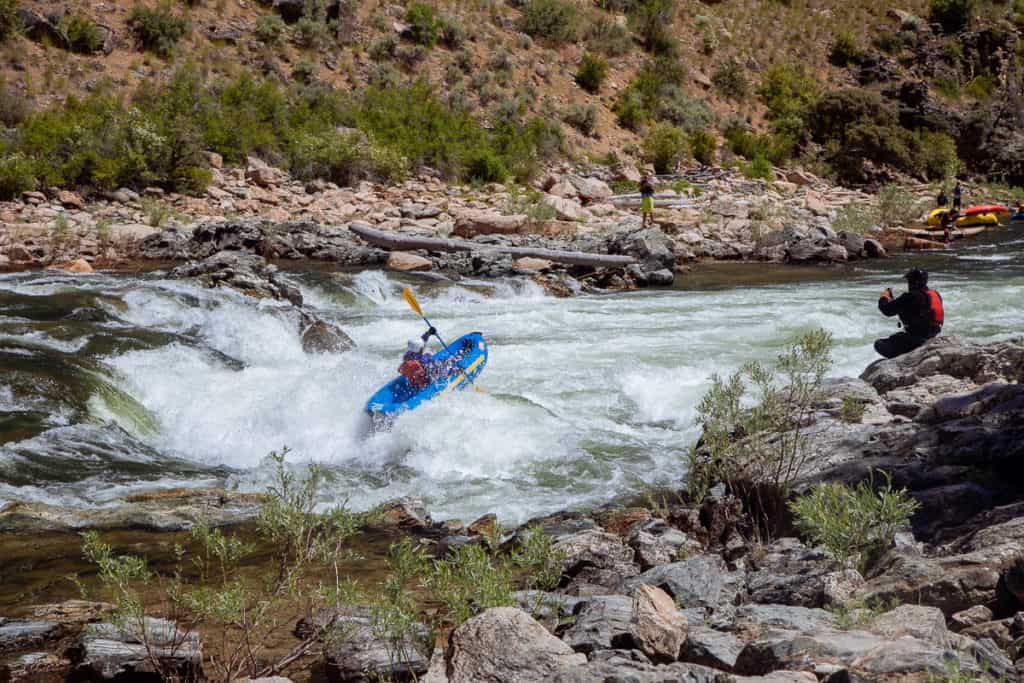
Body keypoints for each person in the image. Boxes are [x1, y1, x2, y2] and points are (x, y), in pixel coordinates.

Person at [873, 268, 944, 359]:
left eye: (909, 280)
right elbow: (919, 310)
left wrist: (884, 297)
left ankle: (906, 359)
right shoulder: (935, 294)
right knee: (897, 337)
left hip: (916, 340)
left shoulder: (911, 296)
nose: (908, 284)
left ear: (914, 282)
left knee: (879, 344)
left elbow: (886, 310)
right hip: (932, 337)